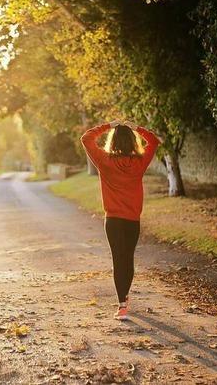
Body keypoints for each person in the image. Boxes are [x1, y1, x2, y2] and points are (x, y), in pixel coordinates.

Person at [80, 120, 161, 320]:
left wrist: (108, 125)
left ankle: (122, 305)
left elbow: (86, 138)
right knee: (128, 258)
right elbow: (154, 141)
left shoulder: (104, 161)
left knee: (119, 260)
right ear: (132, 141)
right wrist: (137, 127)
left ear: (113, 141)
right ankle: (125, 296)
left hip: (113, 221)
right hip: (132, 220)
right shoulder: (139, 162)